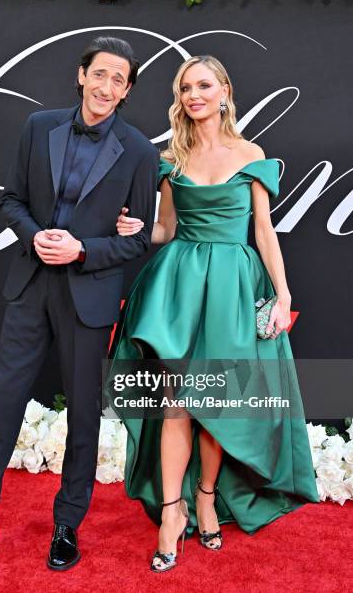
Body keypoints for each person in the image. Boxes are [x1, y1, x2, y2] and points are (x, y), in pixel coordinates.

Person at [0, 36, 159, 571]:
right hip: (30, 286)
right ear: (81, 75)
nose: (107, 86)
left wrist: (83, 248)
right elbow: (11, 200)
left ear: (128, 90)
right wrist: (36, 236)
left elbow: (139, 238)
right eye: (101, 74)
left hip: (89, 296)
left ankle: (67, 526)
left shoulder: (140, 152)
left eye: (120, 79)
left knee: (84, 418)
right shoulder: (38, 127)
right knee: (3, 400)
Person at [109, 55, 319, 573]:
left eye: (203, 85)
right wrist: (131, 230)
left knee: (215, 401)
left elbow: (263, 232)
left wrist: (284, 294)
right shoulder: (171, 157)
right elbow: (166, 229)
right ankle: (171, 513)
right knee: (180, 400)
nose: (193, 95)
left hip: (232, 287)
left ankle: (206, 497)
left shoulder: (252, 154)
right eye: (185, 88)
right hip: (179, 285)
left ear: (224, 90)